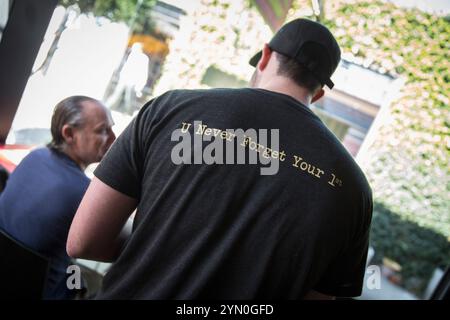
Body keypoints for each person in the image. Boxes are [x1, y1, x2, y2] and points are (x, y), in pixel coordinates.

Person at [67, 19, 373, 299]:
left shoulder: (170, 110)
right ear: (318, 95)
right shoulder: (353, 190)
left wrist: (154, 249)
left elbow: (84, 241)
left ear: (265, 56)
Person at [0, 96, 115, 299]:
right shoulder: (84, 193)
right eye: (102, 130)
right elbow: (117, 246)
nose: (114, 138)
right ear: (69, 134)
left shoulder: (35, 156)